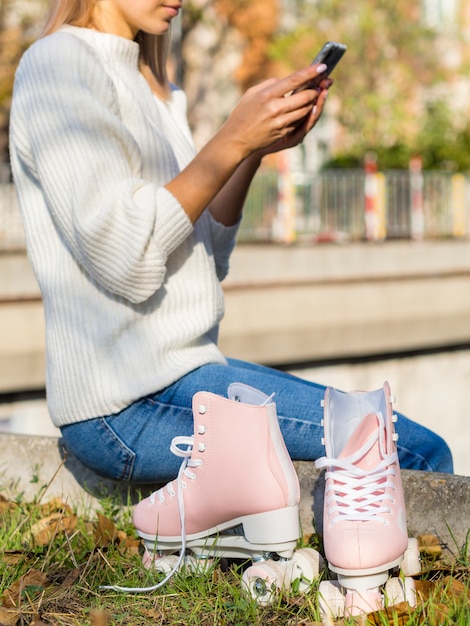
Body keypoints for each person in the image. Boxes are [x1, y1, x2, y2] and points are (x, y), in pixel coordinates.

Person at [9, 0, 453, 490]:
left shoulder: (157, 90)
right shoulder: (58, 65)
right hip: (126, 408)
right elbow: (126, 260)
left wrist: (252, 152)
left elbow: (205, 256)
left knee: (386, 433)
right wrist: (230, 141)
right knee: (415, 453)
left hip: (181, 378)